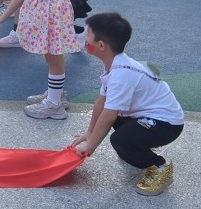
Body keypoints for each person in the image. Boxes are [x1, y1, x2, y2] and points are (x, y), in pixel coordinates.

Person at [71, 12, 184, 196]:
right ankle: (140, 145)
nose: (83, 37)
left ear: (101, 45)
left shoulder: (121, 74)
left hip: (167, 124)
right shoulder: (114, 64)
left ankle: (160, 167)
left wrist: (90, 147)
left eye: (87, 34)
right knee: (116, 123)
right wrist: (90, 133)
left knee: (120, 141)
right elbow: (101, 102)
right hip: (148, 117)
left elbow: (108, 116)